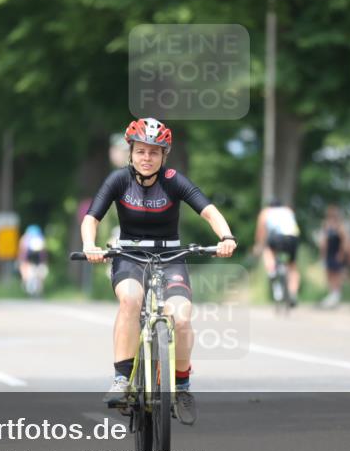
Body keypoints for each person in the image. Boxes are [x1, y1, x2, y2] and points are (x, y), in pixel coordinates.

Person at [81, 118, 237, 425]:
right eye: (141, 151)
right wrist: (89, 245)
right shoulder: (118, 180)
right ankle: (122, 379)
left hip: (171, 256)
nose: (147, 158)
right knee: (130, 300)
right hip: (129, 255)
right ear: (131, 153)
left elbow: (209, 211)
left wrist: (226, 237)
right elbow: (91, 218)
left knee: (182, 317)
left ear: (164, 155)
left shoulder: (173, 180)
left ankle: (182, 386)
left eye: (154, 152)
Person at [254, 198, 300, 306]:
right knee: (292, 266)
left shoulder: (265, 212)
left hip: (276, 237)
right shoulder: (288, 210)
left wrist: (259, 245)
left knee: (267, 250)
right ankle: (293, 294)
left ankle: (272, 271)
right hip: (292, 237)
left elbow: (261, 231)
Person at [318, 205, 348, 307]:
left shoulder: (340, 227)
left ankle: (337, 293)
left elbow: (344, 241)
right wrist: (322, 254)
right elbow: (323, 242)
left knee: (336, 274)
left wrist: (341, 253)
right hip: (328, 253)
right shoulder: (326, 226)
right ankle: (332, 293)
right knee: (329, 273)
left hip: (336, 253)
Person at [18, 224, 49, 296]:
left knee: (27, 273)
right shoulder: (41, 239)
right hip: (36, 261)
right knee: (40, 275)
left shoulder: (25, 239)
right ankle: (38, 288)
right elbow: (44, 255)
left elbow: (22, 254)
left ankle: (26, 284)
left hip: (30, 260)